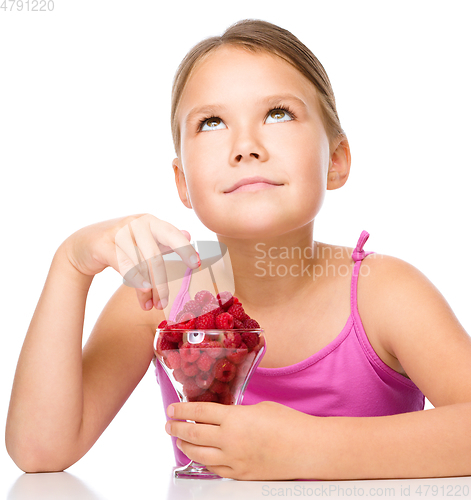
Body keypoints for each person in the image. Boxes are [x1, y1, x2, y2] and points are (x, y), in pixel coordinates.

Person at [6, 19, 471, 481]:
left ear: (336, 159)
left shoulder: (384, 292)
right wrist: (71, 263)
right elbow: (40, 450)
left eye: (278, 114)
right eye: (212, 122)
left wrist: (307, 449)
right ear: (182, 183)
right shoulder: (164, 293)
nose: (245, 146)